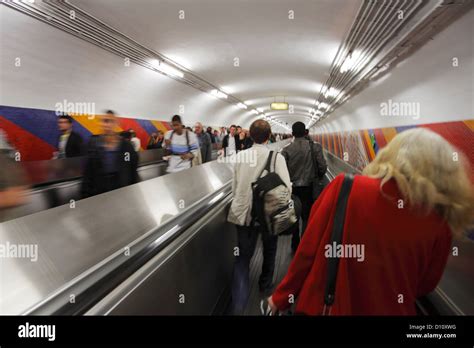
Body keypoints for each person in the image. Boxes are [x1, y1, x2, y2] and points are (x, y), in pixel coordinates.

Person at [267, 128, 474, 315]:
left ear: (390, 155)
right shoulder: (440, 221)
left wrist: (281, 297)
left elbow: (308, 250)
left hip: (331, 307)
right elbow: (425, 285)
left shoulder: (347, 187)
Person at [227, 119, 292, 315]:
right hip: (268, 214)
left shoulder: (240, 156)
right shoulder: (276, 157)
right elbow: (286, 188)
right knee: (270, 250)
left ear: (249, 135)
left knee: (242, 258)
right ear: (270, 135)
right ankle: (265, 287)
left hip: (243, 214)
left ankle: (238, 305)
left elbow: (234, 186)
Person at [281, 121, 327, 252]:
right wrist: (318, 176)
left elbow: (282, 170)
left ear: (292, 133)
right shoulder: (315, 147)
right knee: (307, 215)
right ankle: (305, 244)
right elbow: (322, 166)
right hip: (309, 187)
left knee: (293, 214)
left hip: (293, 188)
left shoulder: (286, 150)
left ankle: (295, 242)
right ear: (306, 132)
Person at [81, 110, 139, 198]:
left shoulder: (126, 146)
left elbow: (132, 168)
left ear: (116, 124)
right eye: (104, 121)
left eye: (110, 121)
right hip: (100, 190)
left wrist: (133, 190)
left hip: (121, 189)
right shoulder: (93, 144)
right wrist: (85, 194)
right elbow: (88, 171)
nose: (107, 125)